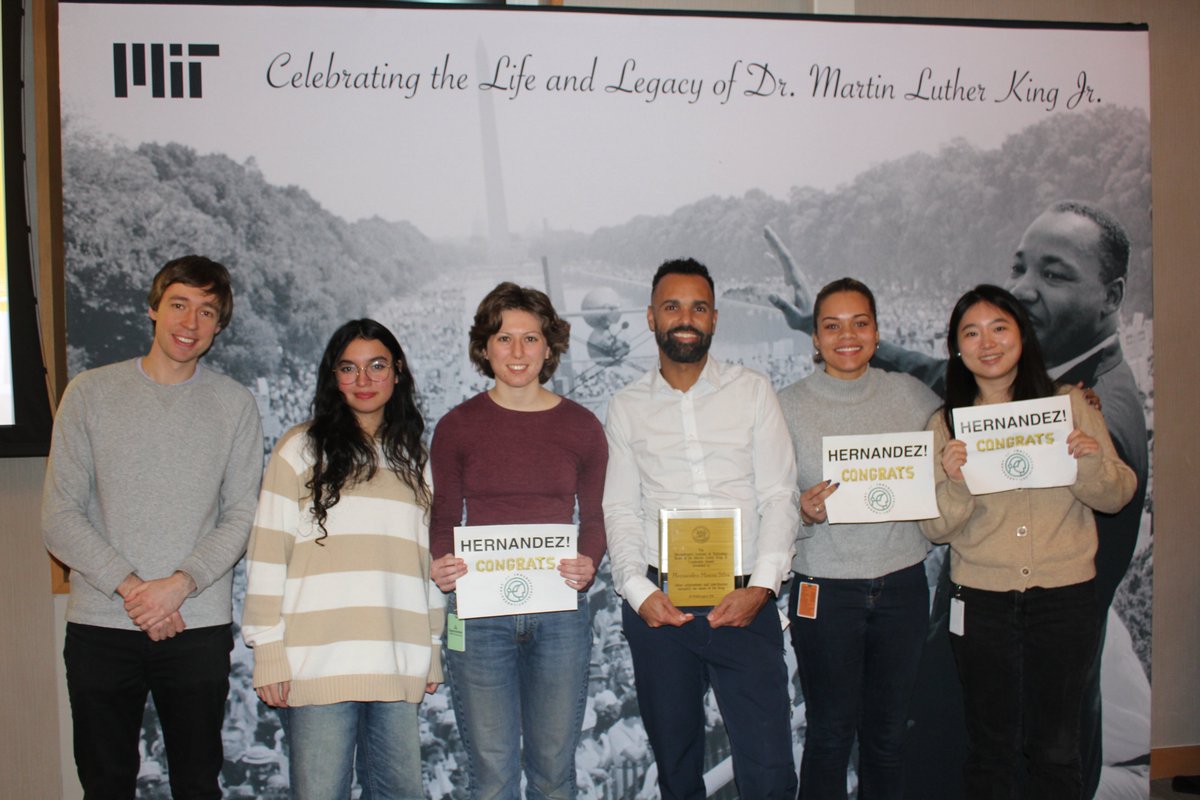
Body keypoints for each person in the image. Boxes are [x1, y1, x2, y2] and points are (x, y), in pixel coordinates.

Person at [767, 201, 1150, 796]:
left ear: (1111, 295)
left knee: (1029, 759)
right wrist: (851, 345)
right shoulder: (997, 399)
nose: (1023, 289)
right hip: (975, 646)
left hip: (1030, 662)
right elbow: (948, 391)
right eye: (1019, 267)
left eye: (1054, 274)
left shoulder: (1095, 406)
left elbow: (1091, 565)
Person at [42, 255, 263, 799]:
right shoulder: (89, 393)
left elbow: (241, 516)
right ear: (153, 309)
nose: (190, 323)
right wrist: (137, 591)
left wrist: (178, 587)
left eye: (206, 311)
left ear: (219, 325)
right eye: (179, 305)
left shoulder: (235, 405)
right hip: (100, 625)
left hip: (196, 625)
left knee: (197, 783)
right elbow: (59, 515)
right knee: (105, 783)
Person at [920, 284, 1136, 798]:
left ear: (1022, 335)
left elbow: (1118, 494)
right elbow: (936, 529)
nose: (987, 342)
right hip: (981, 602)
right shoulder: (944, 424)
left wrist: (1087, 459)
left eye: (1000, 327)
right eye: (971, 333)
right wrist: (954, 480)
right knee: (989, 748)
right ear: (956, 348)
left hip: (1064, 600)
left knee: (1057, 750)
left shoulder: (1068, 405)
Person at [603, 258, 799, 800]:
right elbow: (619, 509)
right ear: (650, 317)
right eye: (672, 306)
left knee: (769, 769)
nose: (685, 318)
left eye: (698, 307)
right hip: (658, 607)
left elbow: (779, 495)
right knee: (678, 767)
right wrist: (638, 593)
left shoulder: (753, 391)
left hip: (748, 599)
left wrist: (762, 587)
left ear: (714, 318)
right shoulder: (624, 407)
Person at [242, 318, 443, 799]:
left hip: (396, 665)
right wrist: (267, 650)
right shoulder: (300, 448)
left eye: (377, 366)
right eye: (348, 368)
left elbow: (427, 566)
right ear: (333, 377)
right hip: (317, 666)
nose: (364, 380)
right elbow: (268, 552)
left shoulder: (417, 459)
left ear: (397, 373)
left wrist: (432, 648)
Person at [429, 282, 607, 800]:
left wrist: (589, 560)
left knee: (554, 774)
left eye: (530, 339)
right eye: (504, 338)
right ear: (484, 347)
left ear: (549, 347)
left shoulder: (582, 426)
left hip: (561, 612)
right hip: (478, 616)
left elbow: (594, 518)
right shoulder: (456, 427)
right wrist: (442, 559)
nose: (517, 352)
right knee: (491, 777)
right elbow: (445, 513)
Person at [777, 278, 941, 799]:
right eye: (832, 325)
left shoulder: (914, 396)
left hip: (902, 588)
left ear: (875, 331)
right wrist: (798, 509)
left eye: (859, 323)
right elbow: (762, 499)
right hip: (822, 590)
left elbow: (987, 416)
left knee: (889, 736)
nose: (846, 336)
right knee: (828, 735)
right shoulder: (783, 407)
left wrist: (1068, 398)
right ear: (815, 338)